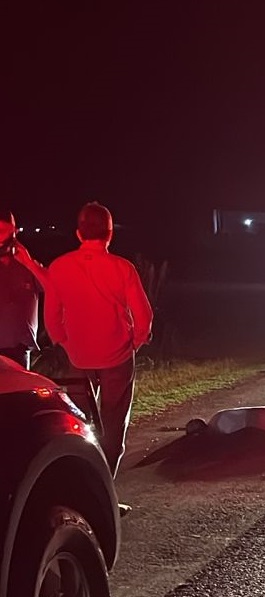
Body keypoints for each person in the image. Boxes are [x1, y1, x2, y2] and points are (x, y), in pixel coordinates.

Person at [43, 202, 153, 489]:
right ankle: (104, 487)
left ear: (79, 234)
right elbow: (144, 316)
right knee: (114, 425)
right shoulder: (122, 268)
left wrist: (66, 345)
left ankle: (78, 486)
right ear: (109, 234)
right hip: (117, 356)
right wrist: (135, 343)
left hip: (78, 356)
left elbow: (52, 319)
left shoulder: (59, 267)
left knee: (77, 425)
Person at [0, 212, 41, 369]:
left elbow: (50, 287)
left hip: (20, 349)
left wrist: (30, 263)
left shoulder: (26, 266)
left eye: (4, 232)